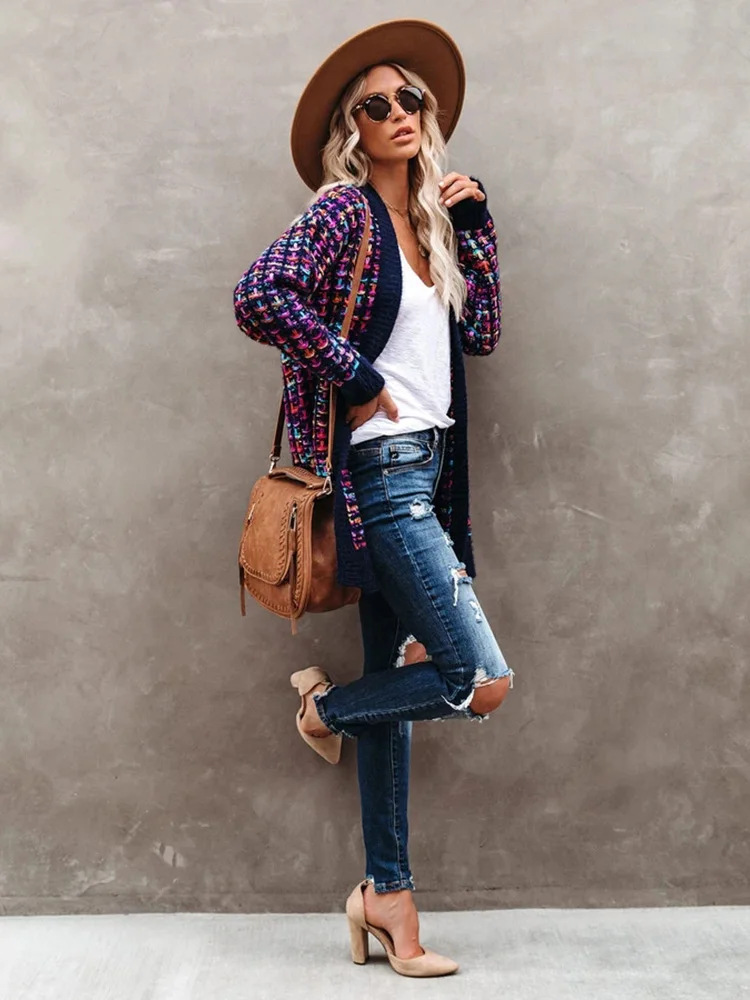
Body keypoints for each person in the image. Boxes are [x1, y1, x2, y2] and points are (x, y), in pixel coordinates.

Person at [233, 19, 514, 978]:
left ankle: (386, 896)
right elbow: (259, 294)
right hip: (381, 476)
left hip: (430, 473)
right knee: (475, 679)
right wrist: (354, 375)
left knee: (403, 680)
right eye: (375, 104)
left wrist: (476, 233)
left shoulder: (431, 220)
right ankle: (327, 711)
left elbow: (482, 334)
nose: (399, 112)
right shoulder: (343, 214)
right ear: (351, 130)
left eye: (410, 99)